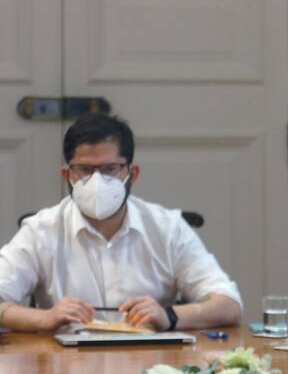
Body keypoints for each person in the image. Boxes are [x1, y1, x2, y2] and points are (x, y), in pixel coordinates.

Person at [0, 114, 242, 332]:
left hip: (149, 370)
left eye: (110, 169)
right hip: (66, 367)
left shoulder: (168, 228)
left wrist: (169, 315)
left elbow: (229, 304)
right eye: (84, 169)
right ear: (67, 175)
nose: (97, 180)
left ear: (132, 174)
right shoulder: (41, 230)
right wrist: (44, 319)